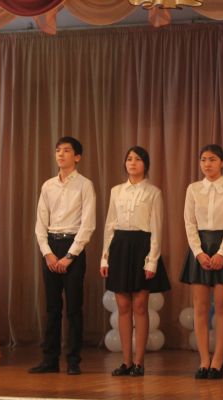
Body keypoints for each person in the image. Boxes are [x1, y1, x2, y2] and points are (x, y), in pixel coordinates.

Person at [100, 146, 171, 377]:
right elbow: (110, 225)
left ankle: (139, 362)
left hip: (142, 247)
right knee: (122, 306)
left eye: (138, 159)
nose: (132, 163)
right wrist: (105, 257)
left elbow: (157, 229)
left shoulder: (153, 192)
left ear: (145, 164)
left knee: (140, 306)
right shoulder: (116, 191)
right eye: (129, 159)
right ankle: (126, 361)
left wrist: (152, 261)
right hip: (119, 247)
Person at [30, 136, 96, 375]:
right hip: (51, 246)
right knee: (52, 307)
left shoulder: (85, 185)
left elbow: (88, 225)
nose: (60, 154)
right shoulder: (48, 185)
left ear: (77, 157)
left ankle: (73, 360)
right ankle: (50, 360)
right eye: (58, 150)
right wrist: (47, 253)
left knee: (74, 307)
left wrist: (69, 256)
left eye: (66, 151)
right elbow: (40, 224)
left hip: (73, 247)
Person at [180, 144, 223, 380]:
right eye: (204, 159)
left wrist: (222, 253)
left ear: (222, 162)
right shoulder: (193, 189)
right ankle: (204, 360)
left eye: (213, 159)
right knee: (200, 307)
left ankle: (218, 360)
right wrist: (198, 252)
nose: (207, 164)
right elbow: (189, 223)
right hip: (200, 248)